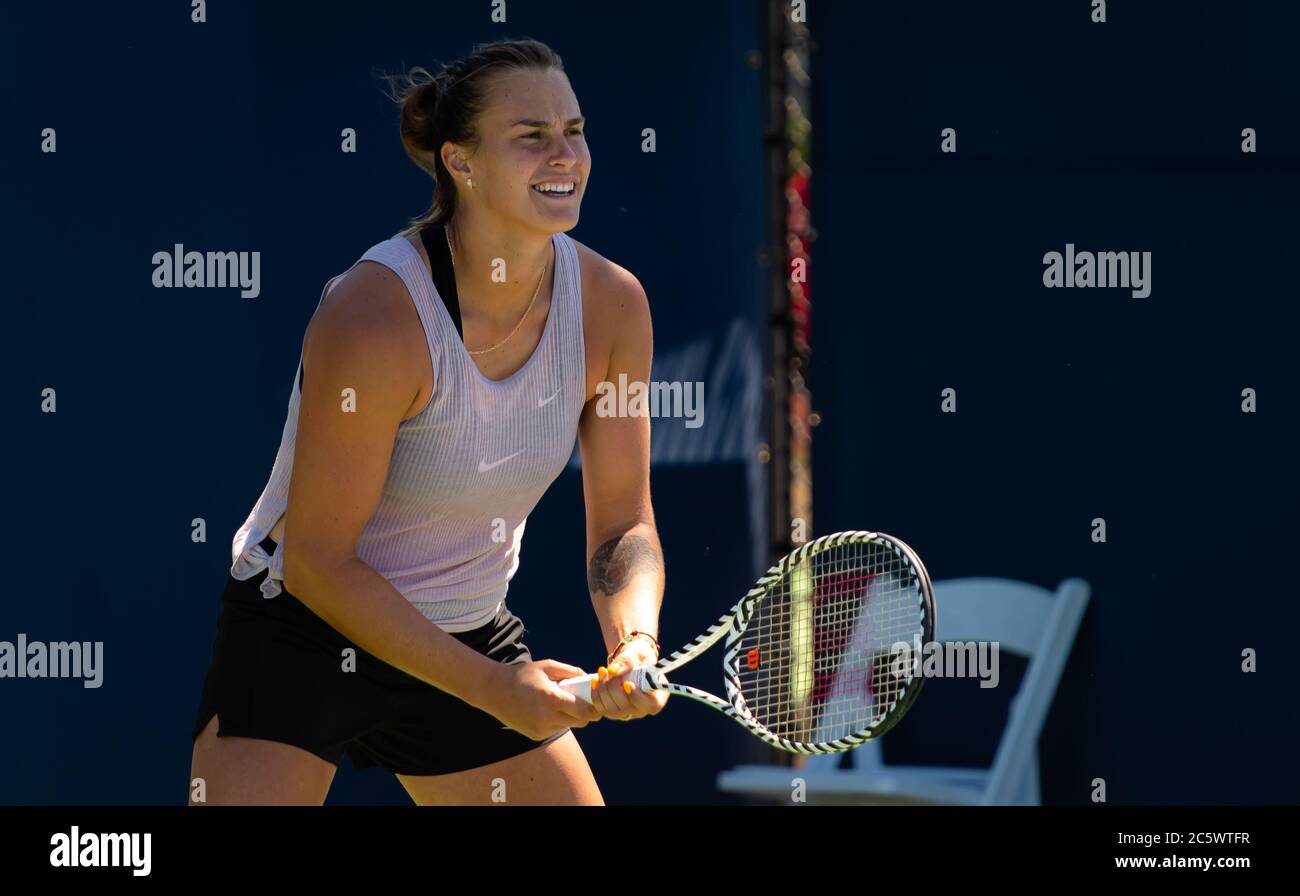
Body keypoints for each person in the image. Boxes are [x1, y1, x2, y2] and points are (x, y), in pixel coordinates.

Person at [189, 38, 667, 806]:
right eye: (531, 136)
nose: (565, 156)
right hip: (301, 630)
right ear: (460, 161)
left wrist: (633, 641)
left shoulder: (614, 306)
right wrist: (497, 691)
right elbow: (319, 563)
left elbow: (622, 526)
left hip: (466, 630)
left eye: (574, 131)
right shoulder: (376, 315)